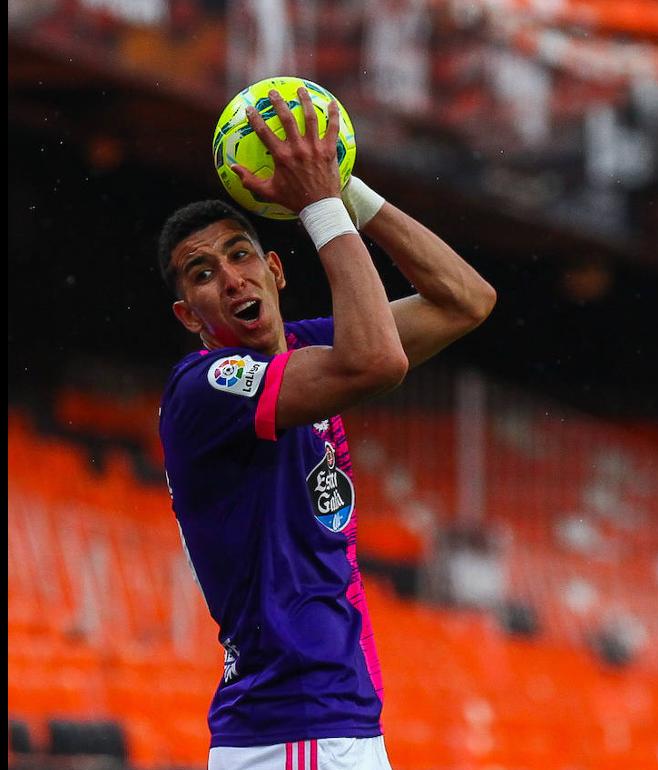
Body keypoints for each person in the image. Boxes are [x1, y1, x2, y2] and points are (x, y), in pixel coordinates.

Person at [157, 87, 495, 767]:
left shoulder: (307, 349)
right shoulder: (206, 388)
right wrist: (319, 205)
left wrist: (346, 186)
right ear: (189, 316)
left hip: (318, 726)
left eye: (241, 255)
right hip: (296, 726)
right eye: (202, 273)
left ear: (276, 271)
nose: (229, 278)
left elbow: (466, 300)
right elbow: (376, 362)